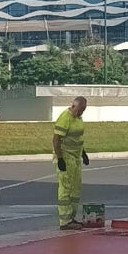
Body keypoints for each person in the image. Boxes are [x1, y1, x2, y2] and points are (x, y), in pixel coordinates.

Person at [52, 96, 90, 230]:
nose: (80, 113)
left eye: (82, 111)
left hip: (76, 157)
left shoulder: (78, 118)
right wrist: (60, 158)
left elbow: (78, 137)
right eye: (79, 110)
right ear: (73, 106)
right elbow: (56, 140)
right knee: (65, 189)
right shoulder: (65, 117)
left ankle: (71, 217)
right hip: (66, 157)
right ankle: (65, 220)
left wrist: (83, 153)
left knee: (75, 189)